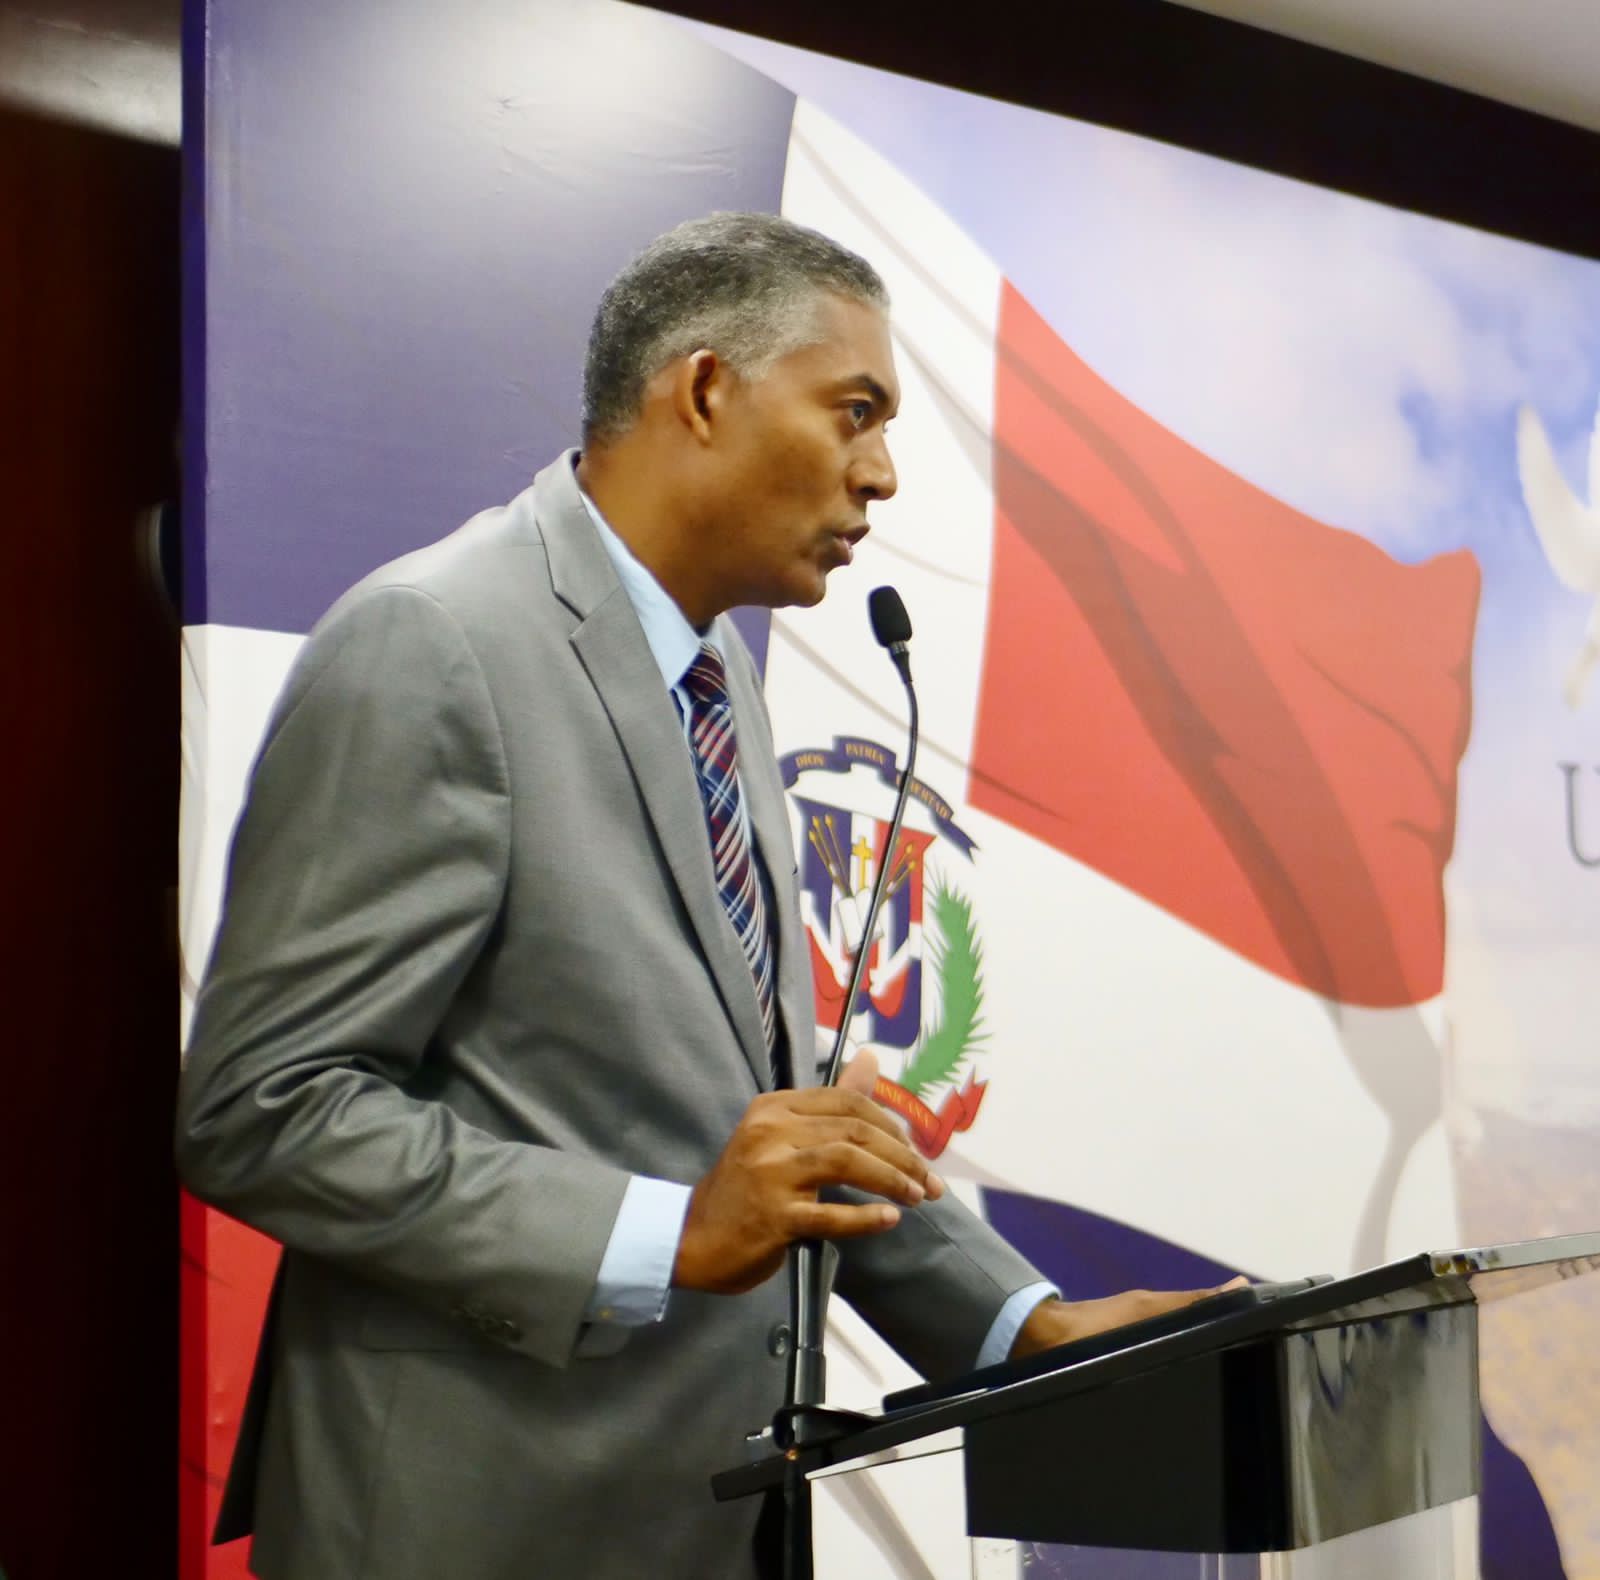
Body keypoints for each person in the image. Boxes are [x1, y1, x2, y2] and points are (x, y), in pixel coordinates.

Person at [177, 212, 1222, 1580]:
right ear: (709, 390)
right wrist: (669, 1234)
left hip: (705, 1527)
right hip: (472, 1532)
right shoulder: (433, 641)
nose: (884, 473)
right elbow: (262, 1109)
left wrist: (1024, 1329)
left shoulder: (716, 684)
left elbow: (768, 1135)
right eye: (856, 411)